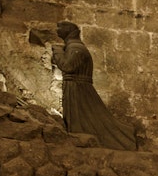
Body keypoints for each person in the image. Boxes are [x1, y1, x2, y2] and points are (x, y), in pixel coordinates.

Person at [51, 21, 136, 150]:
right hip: (75, 87)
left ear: (69, 30)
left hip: (78, 89)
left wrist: (57, 52)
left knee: (90, 120)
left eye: (60, 27)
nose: (57, 30)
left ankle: (125, 138)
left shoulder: (76, 48)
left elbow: (67, 66)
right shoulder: (72, 46)